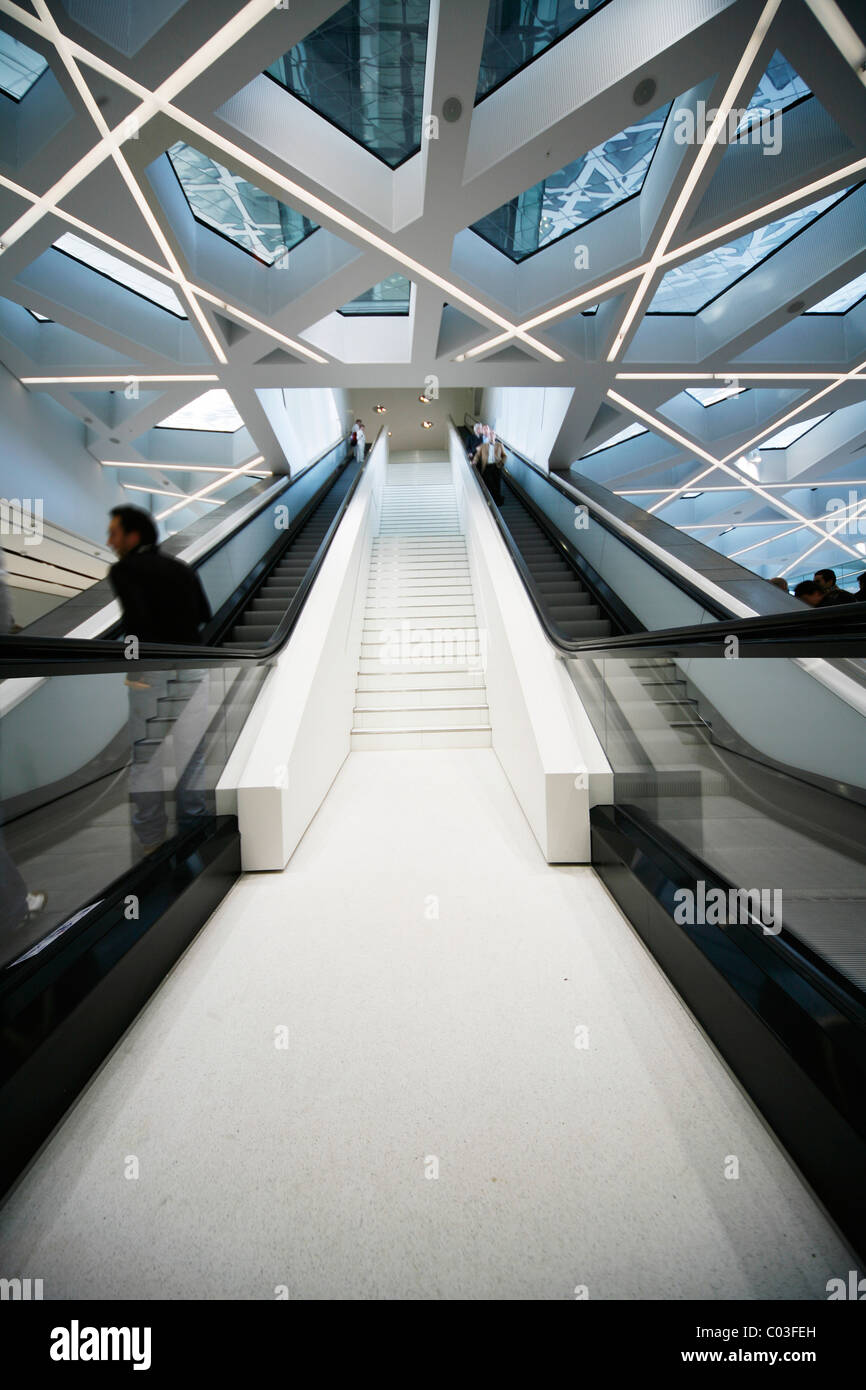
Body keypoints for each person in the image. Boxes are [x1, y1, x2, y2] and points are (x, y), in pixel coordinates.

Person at [107, 506, 212, 853]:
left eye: (114, 533)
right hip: (194, 665)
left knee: (147, 754)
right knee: (192, 753)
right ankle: (192, 828)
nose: (110, 541)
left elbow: (137, 620)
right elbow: (203, 614)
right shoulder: (180, 568)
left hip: (151, 670)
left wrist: (134, 667)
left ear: (133, 536)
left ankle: (151, 835)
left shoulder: (123, 570)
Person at [472, 435, 503, 505]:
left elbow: (503, 455)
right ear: (488, 438)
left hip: (496, 467)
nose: (491, 438)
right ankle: (491, 499)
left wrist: (502, 463)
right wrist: (475, 460)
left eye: (493, 436)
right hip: (487, 466)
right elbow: (477, 455)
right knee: (490, 482)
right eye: (490, 437)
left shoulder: (499, 445)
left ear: (495, 437)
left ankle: (497, 500)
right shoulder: (483, 445)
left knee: (497, 483)